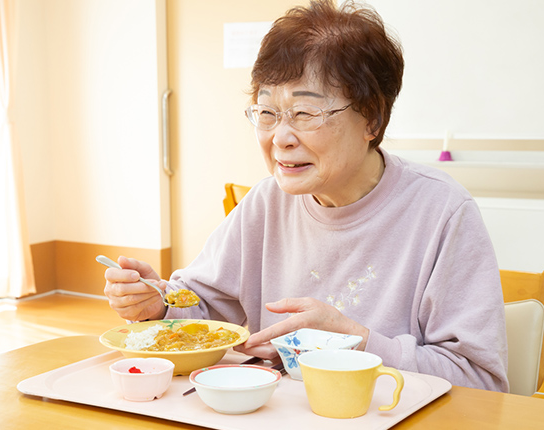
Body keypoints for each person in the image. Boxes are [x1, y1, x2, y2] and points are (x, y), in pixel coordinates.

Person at [104, 0, 509, 392]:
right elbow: (204, 307)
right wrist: (157, 305)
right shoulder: (265, 203)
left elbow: (480, 380)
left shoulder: (442, 212)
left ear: (372, 118)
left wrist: (356, 341)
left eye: (305, 113)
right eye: (266, 113)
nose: (280, 138)